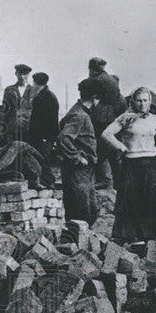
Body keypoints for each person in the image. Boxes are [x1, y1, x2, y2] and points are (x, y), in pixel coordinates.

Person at [100, 86, 156, 245]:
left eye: (145, 100)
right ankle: (126, 235)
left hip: (151, 163)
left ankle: (146, 237)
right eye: (139, 100)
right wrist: (121, 147)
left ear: (150, 102)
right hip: (131, 163)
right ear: (133, 101)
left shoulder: (155, 119)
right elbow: (106, 134)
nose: (142, 104)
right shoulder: (125, 118)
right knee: (129, 198)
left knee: (149, 199)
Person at [55, 78, 101, 226]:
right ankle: (76, 244)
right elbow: (63, 138)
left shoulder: (76, 110)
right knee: (81, 211)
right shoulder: (81, 116)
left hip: (83, 171)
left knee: (90, 209)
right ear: (94, 98)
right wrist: (78, 157)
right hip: (78, 171)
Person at [87, 57, 126, 189]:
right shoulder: (111, 80)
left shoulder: (96, 80)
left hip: (100, 119)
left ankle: (104, 180)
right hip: (112, 120)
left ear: (92, 69)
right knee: (114, 152)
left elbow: (91, 99)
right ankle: (118, 181)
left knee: (99, 150)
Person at [28, 72, 59, 187]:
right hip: (45, 136)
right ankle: (45, 181)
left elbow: (45, 119)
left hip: (43, 136)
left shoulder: (43, 97)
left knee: (42, 159)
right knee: (42, 158)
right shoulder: (49, 95)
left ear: (36, 83)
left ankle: (49, 181)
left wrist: (45, 137)